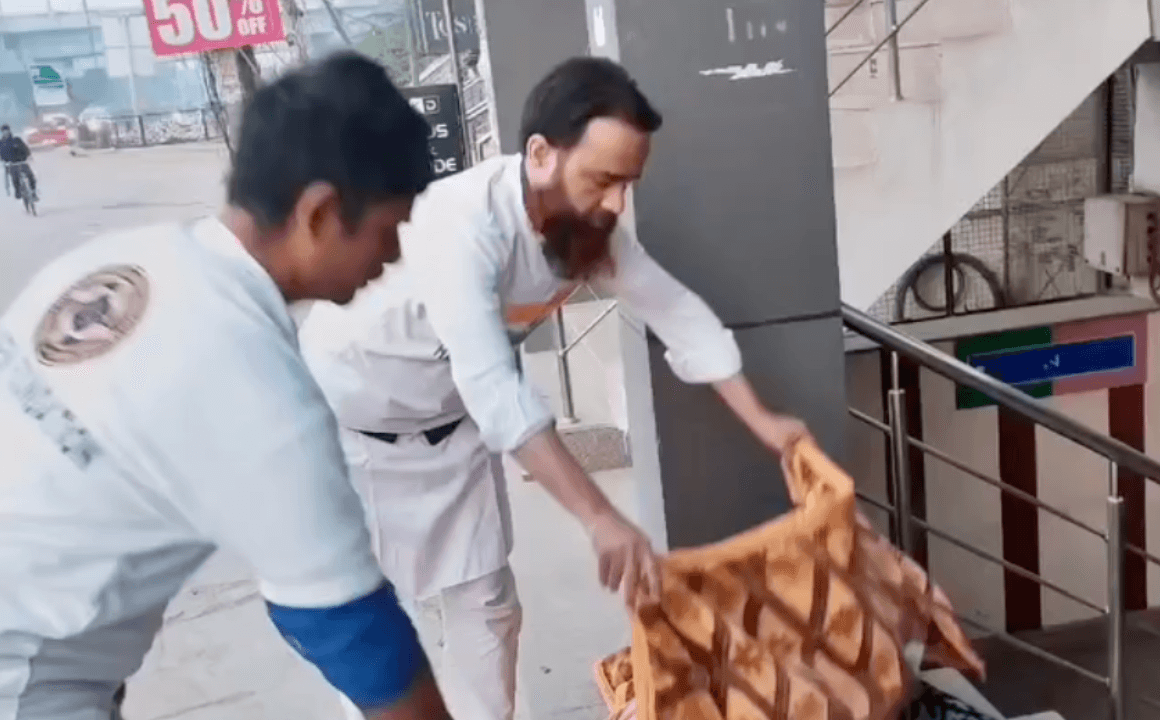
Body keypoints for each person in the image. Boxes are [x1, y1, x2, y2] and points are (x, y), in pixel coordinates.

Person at [299, 56, 813, 720]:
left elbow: (678, 313)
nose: (615, 204)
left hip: (452, 432)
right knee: (372, 639)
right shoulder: (460, 224)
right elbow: (496, 389)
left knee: (489, 614)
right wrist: (599, 516)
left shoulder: (586, 231)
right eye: (602, 179)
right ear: (540, 154)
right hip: (351, 432)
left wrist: (764, 422)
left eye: (628, 184)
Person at [0, 53, 452, 720]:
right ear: (321, 214)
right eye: (389, 232)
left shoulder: (123, 261)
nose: (391, 259)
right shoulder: (256, 386)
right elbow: (355, 636)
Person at [1, 124, 37, 202]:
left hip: (21, 162)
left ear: (9, 130)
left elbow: (25, 148)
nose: (5, 132)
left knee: (31, 176)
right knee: (15, 178)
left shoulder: (16, 139)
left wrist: (28, 156)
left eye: (6, 130)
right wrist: (4, 162)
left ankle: (33, 192)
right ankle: (18, 191)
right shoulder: (1, 143)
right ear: (2, 132)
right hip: (11, 164)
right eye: (3, 131)